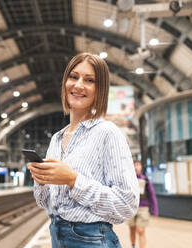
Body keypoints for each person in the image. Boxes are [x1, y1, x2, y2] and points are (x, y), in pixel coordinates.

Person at [28, 52, 139, 248]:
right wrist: (41, 180)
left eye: (89, 80)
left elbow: (126, 204)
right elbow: (44, 202)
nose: (78, 85)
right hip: (57, 236)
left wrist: (73, 180)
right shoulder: (56, 139)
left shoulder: (107, 133)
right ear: (65, 83)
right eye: (73, 77)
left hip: (93, 240)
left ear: (100, 90)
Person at [127, 160, 158, 248]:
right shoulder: (128, 180)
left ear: (141, 167)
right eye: (134, 165)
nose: (136, 167)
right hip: (131, 207)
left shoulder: (146, 180)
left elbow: (152, 195)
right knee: (132, 228)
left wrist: (154, 210)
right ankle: (133, 245)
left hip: (143, 208)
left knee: (141, 230)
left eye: (138, 165)